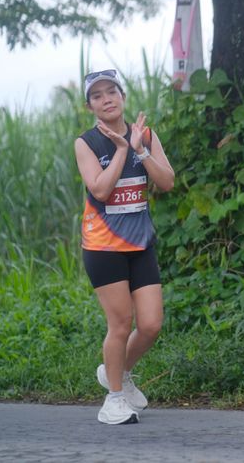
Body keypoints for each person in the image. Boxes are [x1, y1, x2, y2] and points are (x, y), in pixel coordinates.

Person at [74, 68, 175, 424]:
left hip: (140, 243)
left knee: (150, 325)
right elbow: (101, 190)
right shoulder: (86, 143)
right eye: (97, 95)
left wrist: (140, 150)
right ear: (89, 106)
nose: (106, 99)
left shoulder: (144, 135)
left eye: (111, 92)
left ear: (123, 97)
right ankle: (113, 400)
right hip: (103, 247)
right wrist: (121, 150)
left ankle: (117, 371)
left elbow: (167, 181)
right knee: (120, 323)